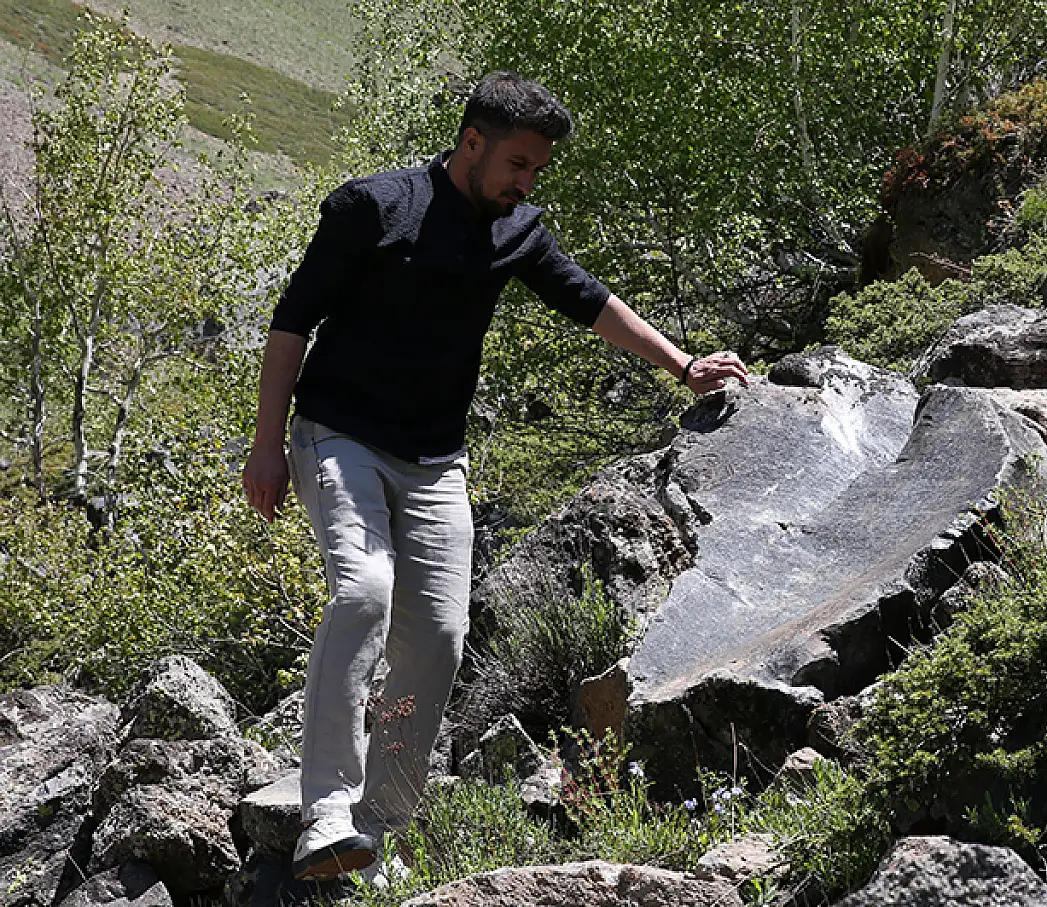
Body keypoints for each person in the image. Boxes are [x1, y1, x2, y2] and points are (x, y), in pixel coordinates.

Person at [241, 71, 748, 882]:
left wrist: (683, 364)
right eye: (518, 162)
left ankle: (376, 831)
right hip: (337, 436)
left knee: (438, 636)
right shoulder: (372, 209)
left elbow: (590, 300)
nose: (526, 181)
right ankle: (327, 810)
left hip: (437, 459)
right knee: (364, 591)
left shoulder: (516, 230)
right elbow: (291, 322)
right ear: (471, 142)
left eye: (537, 169)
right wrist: (267, 444)